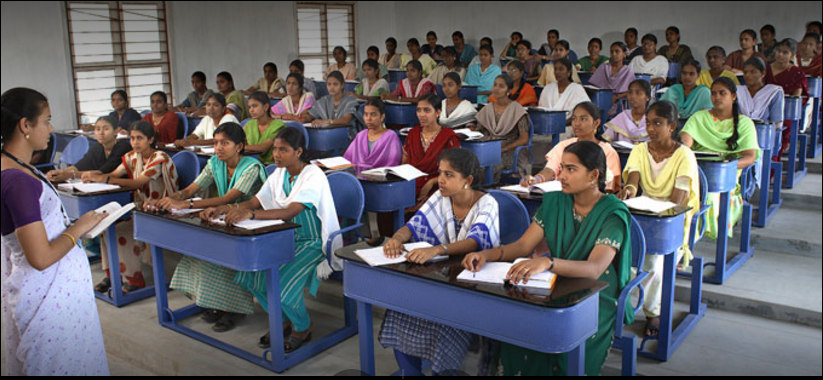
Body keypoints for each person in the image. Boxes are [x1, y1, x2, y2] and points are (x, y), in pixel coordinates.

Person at [465, 140, 634, 376]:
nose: (561, 175)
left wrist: (547, 262)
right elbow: (523, 245)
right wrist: (486, 254)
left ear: (594, 175)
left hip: (596, 293)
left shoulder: (611, 213)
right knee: (517, 328)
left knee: (561, 341)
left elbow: (595, 268)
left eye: (571, 169)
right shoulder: (555, 202)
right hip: (554, 283)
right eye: (562, 167)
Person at [1, 87, 109, 375]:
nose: (50, 129)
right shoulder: (17, 180)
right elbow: (40, 257)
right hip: (48, 298)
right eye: (46, 120)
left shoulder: (18, 168)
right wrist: (78, 228)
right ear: (25, 125)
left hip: (55, 293)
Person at [205, 127, 342, 352]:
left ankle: (302, 327)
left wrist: (250, 214)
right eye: (275, 149)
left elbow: (289, 212)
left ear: (298, 151)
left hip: (311, 242)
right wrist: (226, 208)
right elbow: (254, 202)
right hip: (283, 237)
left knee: (283, 288)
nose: (276, 154)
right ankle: (284, 320)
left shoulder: (312, 175)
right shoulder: (278, 173)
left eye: (283, 150)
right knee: (252, 278)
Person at [380, 148, 500, 376]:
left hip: (473, 285)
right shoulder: (440, 197)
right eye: (440, 173)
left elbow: (475, 241)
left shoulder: (488, 203)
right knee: (398, 313)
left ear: (469, 180)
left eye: (449, 175)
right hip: (442, 281)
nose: (441, 180)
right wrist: (396, 238)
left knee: (447, 329)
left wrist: (437, 249)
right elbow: (413, 225)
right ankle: (410, 371)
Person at [146, 123, 268, 332]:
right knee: (201, 254)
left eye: (225, 143)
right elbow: (193, 188)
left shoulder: (251, 167)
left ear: (238, 146)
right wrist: (170, 199)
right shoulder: (215, 163)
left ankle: (233, 310)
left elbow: (228, 198)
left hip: (252, 224)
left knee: (225, 258)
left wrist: (187, 204)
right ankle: (216, 303)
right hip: (225, 220)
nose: (218, 148)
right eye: (216, 143)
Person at [619, 100, 699, 338]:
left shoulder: (684, 155)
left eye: (657, 123)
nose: (651, 128)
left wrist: (659, 212)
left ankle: (653, 311)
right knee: (620, 252)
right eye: (648, 123)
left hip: (671, 217)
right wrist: (630, 191)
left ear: (672, 125)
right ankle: (625, 306)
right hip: (644, 212)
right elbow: (633, 179)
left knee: (652, 262)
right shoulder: (640, 150)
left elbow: (679, 197)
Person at [85, 121, 179, 295]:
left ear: (150, 140)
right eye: (132, 138)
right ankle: (112, 275)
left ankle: (134, 279)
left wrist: (104, 179)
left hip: (161, 210)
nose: (135, 142)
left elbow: (137, 182)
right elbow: (113, 175)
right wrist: (93, 176)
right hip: (141, 207)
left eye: (140, 138)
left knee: (121, 230)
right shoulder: (131, 156)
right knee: (106, 226)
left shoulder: (160, 158)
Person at [680, 77, 760, 240]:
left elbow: (750, 157)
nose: (717, 97)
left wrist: (725, 167)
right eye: (713, 93)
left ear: (734, 96)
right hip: (696, 169)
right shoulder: (699, 117)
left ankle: (690, 241)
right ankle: (680, 244)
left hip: (727, 173)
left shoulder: (745, 123)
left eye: (722, 93)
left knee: (709, 196)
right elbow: (684, 147)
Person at [525, 102, 622, 193]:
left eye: (583, 119)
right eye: (574, 119)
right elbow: (550, 170)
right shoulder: (564, 146)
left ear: (596, 123)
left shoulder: (607, 151)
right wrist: (537, 179)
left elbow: (608, 186)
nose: (577, 123)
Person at [403, 94, 461, 209]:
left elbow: (455, 170)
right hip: (412, 184)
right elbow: (404, 163)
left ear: (438, 112)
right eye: (419, 110)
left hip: (439, 185)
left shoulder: (448, 136)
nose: (422, 115)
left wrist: (431, 182)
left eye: (427, 110)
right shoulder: (412, 134)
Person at [476, 74, 532, 182]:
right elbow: (479, 132)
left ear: (509, 90)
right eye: (495, 85)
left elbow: (524, 139)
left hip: (508, 151)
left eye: (501, 86)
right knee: (470, 163)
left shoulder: (517, 110)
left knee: (489, 165)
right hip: (488, 148)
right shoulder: (487, 109)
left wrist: (503, 149)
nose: (496, 88)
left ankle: (488, 192)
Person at [45, 116, 131, 183]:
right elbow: (79, 166)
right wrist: (59, 173)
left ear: (116, 131)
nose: (101, 133)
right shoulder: (98, 147)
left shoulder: (123, 148)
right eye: (97, 129)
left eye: (106, 129)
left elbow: (102, 172)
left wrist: (70, 175)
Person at [769, 38, 810, 159]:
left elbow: (797, 97)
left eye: (785, 52)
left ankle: (771, 169)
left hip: (784, 113)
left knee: (781, 132)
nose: (780, 55)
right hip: (763, 109)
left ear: (792, 55)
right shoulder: (765, 69)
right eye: (779, 51)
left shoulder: (796, 73)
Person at [304, 71, 363, 140]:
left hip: (348, 137)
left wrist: (327, 121)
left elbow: (346, 120)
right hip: (328, 136)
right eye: (329, 84)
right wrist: (300, 118)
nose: (331, 87)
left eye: (335, 84)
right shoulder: (324, 100)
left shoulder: (350, 100)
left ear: (342, 85)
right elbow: (309, 116)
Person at [603, 79, 652, 144]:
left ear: (647, 97)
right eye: (630, 92)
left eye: (638, 93)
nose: (632, 96)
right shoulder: (623, 117)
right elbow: (607, 141)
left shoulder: (653, 118)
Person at [589, 42, 636, 106]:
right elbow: (594, 85)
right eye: (611, 52)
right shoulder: (604, 67)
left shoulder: (628, 71)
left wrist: (617, 97)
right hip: (601, 99)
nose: (614, 54)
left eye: (617, 51)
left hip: (619, 101)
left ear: (624, 54)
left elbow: (631, 91)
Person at [244, 91, 285, 166]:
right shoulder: (249, 124)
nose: (251, 110)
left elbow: (263, 148)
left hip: (271, 165)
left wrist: (240, 147)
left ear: (265, 107)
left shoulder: (278, 126)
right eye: (249, 107)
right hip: (251, 163)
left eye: (255, 106)